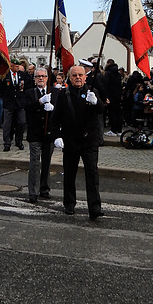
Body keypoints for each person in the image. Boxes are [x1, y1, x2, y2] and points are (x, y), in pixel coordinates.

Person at [51, 64, 105, 220]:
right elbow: (55, 118)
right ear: (70, 77)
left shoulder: (92, 91)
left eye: (80, 75)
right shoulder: (63, 94)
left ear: (85, 76)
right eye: (74, 75)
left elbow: (101, 110)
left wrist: (96, 102)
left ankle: (94, 208)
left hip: (89, 140)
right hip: (70, 140)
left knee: (92, 174)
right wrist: (57, 136)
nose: (78, 78)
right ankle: (69, 204)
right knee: (69, 173)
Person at [24, 67, 59, 203]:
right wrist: (39, 102)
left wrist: (53, 108)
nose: (40, 78)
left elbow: (59, 110)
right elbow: (26, 107)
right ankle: (33, 192)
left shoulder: (54, 92)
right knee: (34, 163)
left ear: (47, 78)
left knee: (47, 163)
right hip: (35, 133)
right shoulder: (29, 92)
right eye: (38, 76)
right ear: (34, 79)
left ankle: (44, 189)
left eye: (43, 76)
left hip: (49, 133)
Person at [0, 58, 28, 151]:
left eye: (18, 66)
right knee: (7, 124)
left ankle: (18, 140)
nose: (18, 67)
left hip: (20, 103)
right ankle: (7, 143)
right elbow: (0, 88)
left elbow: (26, 87)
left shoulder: (22, 75)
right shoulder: (5, 75)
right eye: (16, 66)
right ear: (11, 66)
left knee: (22, 122)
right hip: (9, 103)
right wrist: (6, 97)